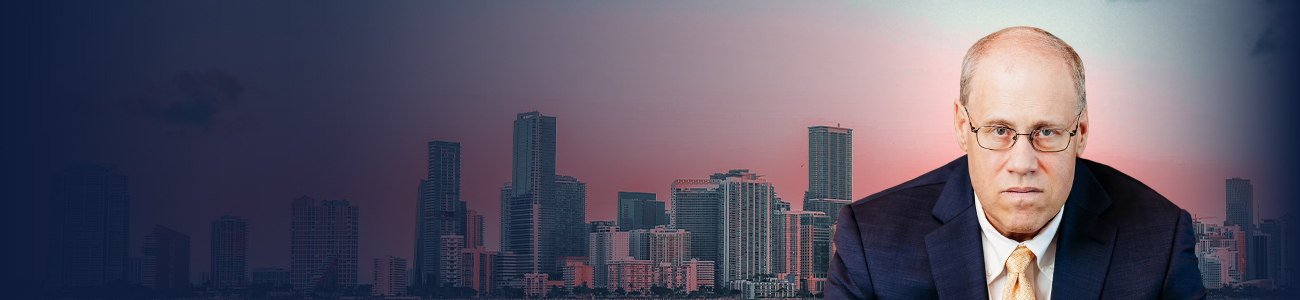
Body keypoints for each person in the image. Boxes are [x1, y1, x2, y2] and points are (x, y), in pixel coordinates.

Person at [826, 26, 1205, 300]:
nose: (1022, 163)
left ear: (1082, 132)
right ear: (962, 127)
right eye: (999, 131)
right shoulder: (873, 242)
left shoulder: (1160, 240)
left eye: (1047, 132)